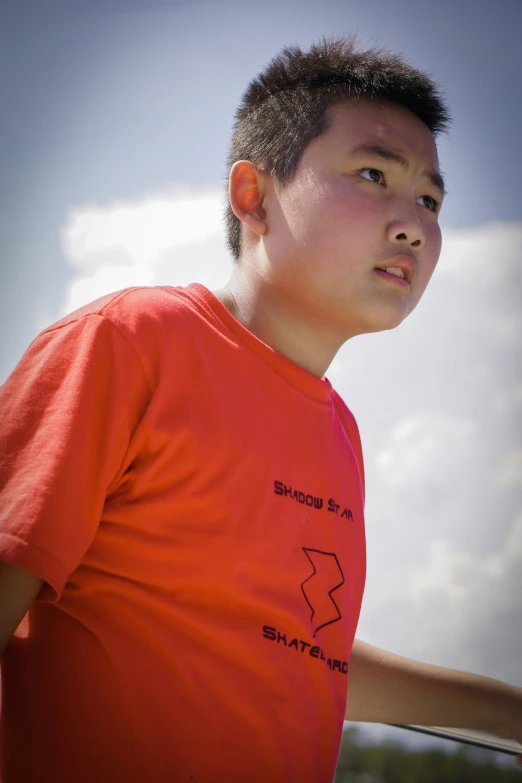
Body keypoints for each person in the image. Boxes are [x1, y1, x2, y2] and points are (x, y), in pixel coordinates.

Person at [0, 34, 520, 783]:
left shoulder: (339, 432)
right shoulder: (131, 343)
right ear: (254, 196)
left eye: (431, 199)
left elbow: (294, 651)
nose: (413, 221)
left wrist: (507, 712)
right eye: (374, 173)